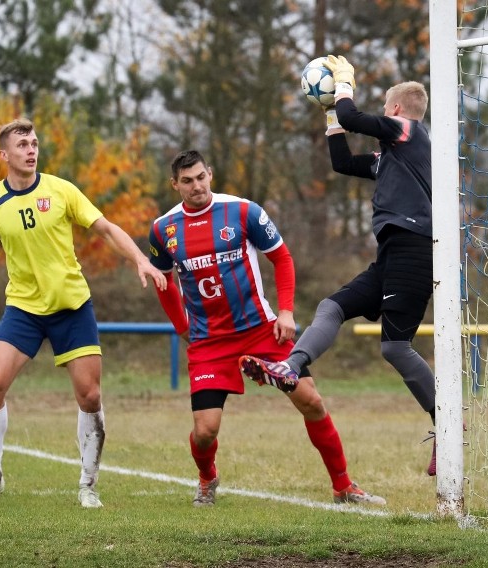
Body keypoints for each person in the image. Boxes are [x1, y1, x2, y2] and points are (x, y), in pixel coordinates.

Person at [0, 118, 167, 508]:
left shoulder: (61, 190)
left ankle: (87, 484)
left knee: (90, 396)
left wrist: (140, 260)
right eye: (22, 144)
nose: (31, 149)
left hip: (72, 307)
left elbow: (106, 229)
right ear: (4, 155)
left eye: (35, 143)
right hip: (23, 309)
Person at [148, 149, 385, 507]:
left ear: (210, 174)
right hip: (209, 342)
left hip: (262, 330)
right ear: (174, 184)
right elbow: (164, 283)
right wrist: (181, 326)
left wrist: (286, 313)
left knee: (312, 401)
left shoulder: (243, 211)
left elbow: (282, 258)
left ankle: (343, 487)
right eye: (186, 181)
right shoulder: (163, 229)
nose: (196, 186)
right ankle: (207, 477)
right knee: (205, 431)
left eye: (200, 177)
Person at [241, 56, 441, 476]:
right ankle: (290, 368)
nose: (384, 116)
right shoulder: (391, 156)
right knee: (332, 306)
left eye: (386, 109)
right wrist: (331, 112)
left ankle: (448, 425)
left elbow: (354, 117)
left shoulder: (410, 133)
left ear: (397, 110)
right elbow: (341, 162)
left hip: (414, 250)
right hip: (390, 255)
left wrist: (344, 86)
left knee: (395, 347)